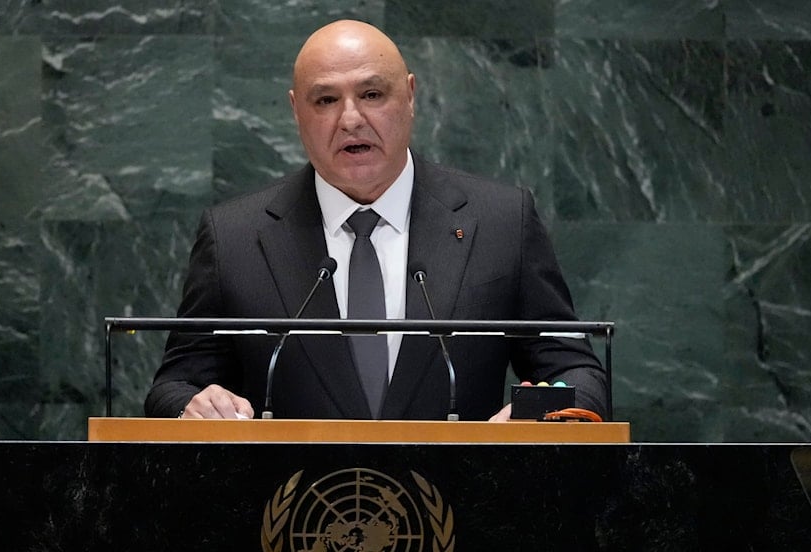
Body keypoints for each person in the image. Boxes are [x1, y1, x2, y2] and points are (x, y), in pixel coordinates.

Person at [144, 19, 607, 421]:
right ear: (296, 111)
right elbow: (175, 387)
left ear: (410, 96)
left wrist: (538, 415)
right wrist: (196, 406)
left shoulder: (502, 222)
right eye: (325, 100)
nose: (350, 119)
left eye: (371, 94)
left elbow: (575, 372)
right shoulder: (235, 238)